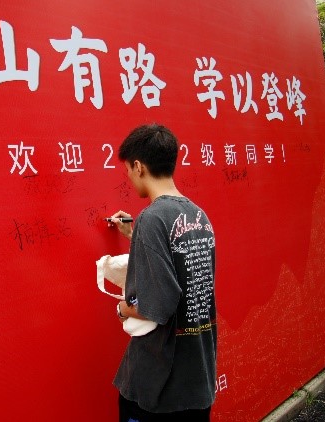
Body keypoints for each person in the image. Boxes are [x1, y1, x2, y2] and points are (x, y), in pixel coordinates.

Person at [108, 124, 217, 421]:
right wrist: (134, 237)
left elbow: (160, 305)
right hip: (197, 376)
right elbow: (180, 269)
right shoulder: (198, 215)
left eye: (128, 171)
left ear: (139, 166)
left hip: (160, 386)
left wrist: (122, 309)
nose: (130, 178)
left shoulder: (152, 217)